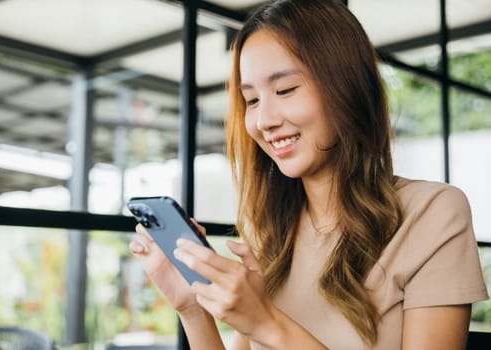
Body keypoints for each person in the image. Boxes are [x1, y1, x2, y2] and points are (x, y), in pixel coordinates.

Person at [129, 0, 489, 348]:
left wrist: (268, 324)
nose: (263, 121)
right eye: (251, 100)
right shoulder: (268, 231)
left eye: (285, 90)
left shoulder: (432, 213)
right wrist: (191, 309)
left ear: (346, 88)